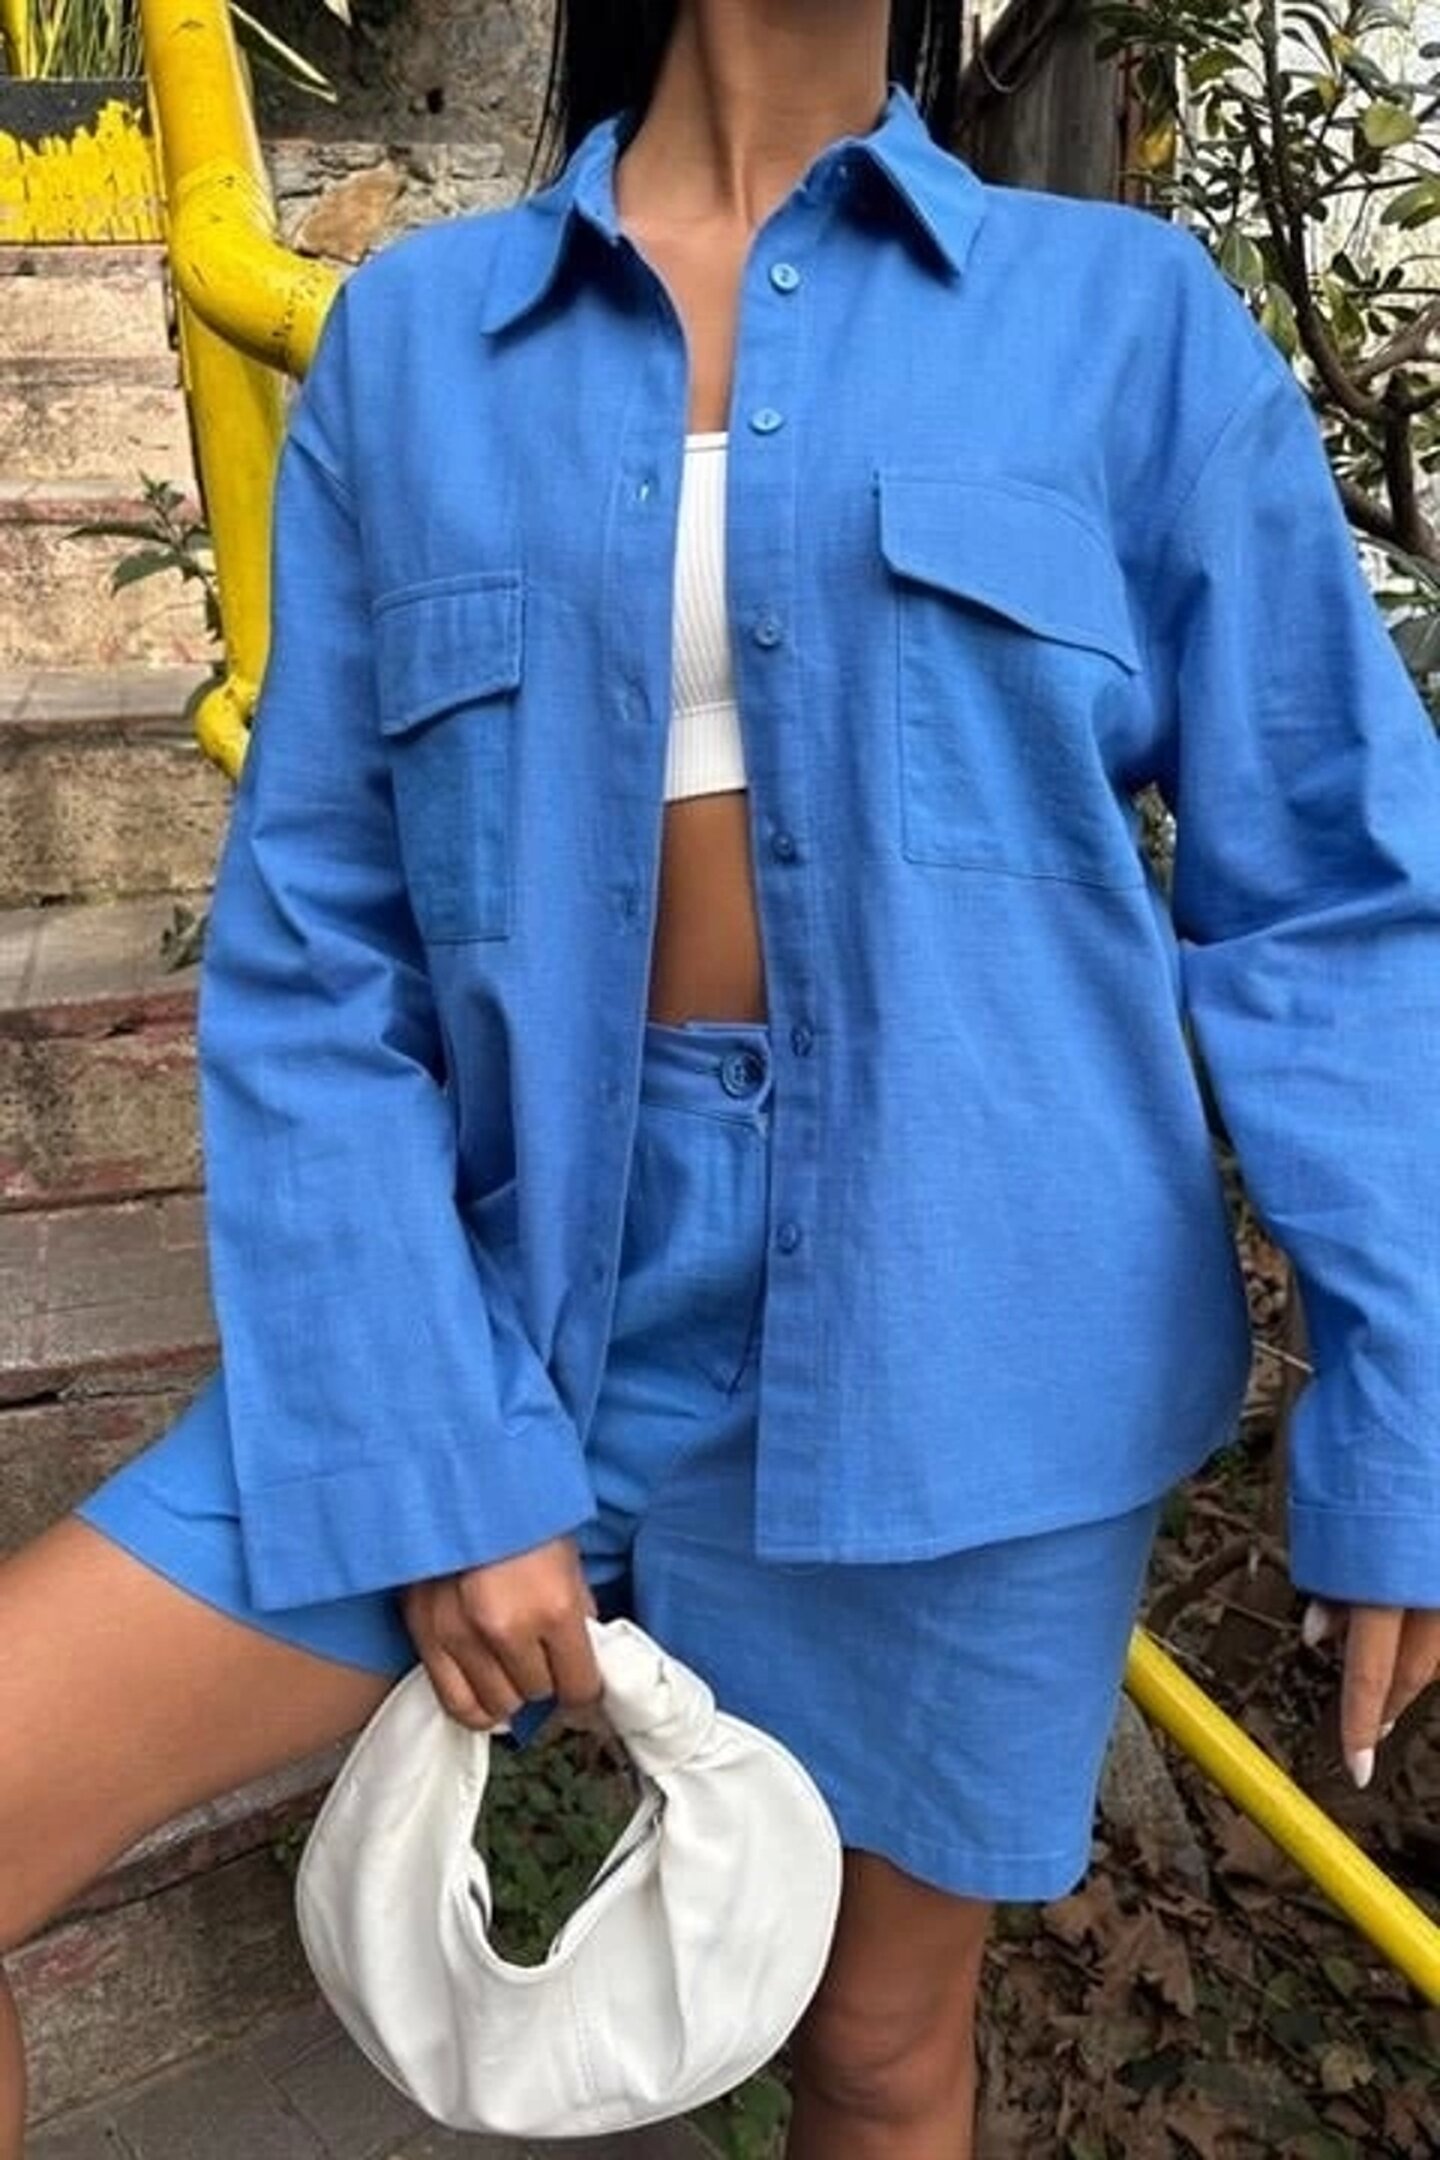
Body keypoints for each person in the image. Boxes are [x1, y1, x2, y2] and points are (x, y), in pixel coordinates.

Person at [4, 2, 1440, 2153]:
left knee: (877, 2060)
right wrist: (435, 1450)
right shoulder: (416, 346)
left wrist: (1403, 1411)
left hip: (979, 1318)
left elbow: (1333, 899)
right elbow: (321, 958)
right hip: (503, 1285)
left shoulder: (1123, 324)